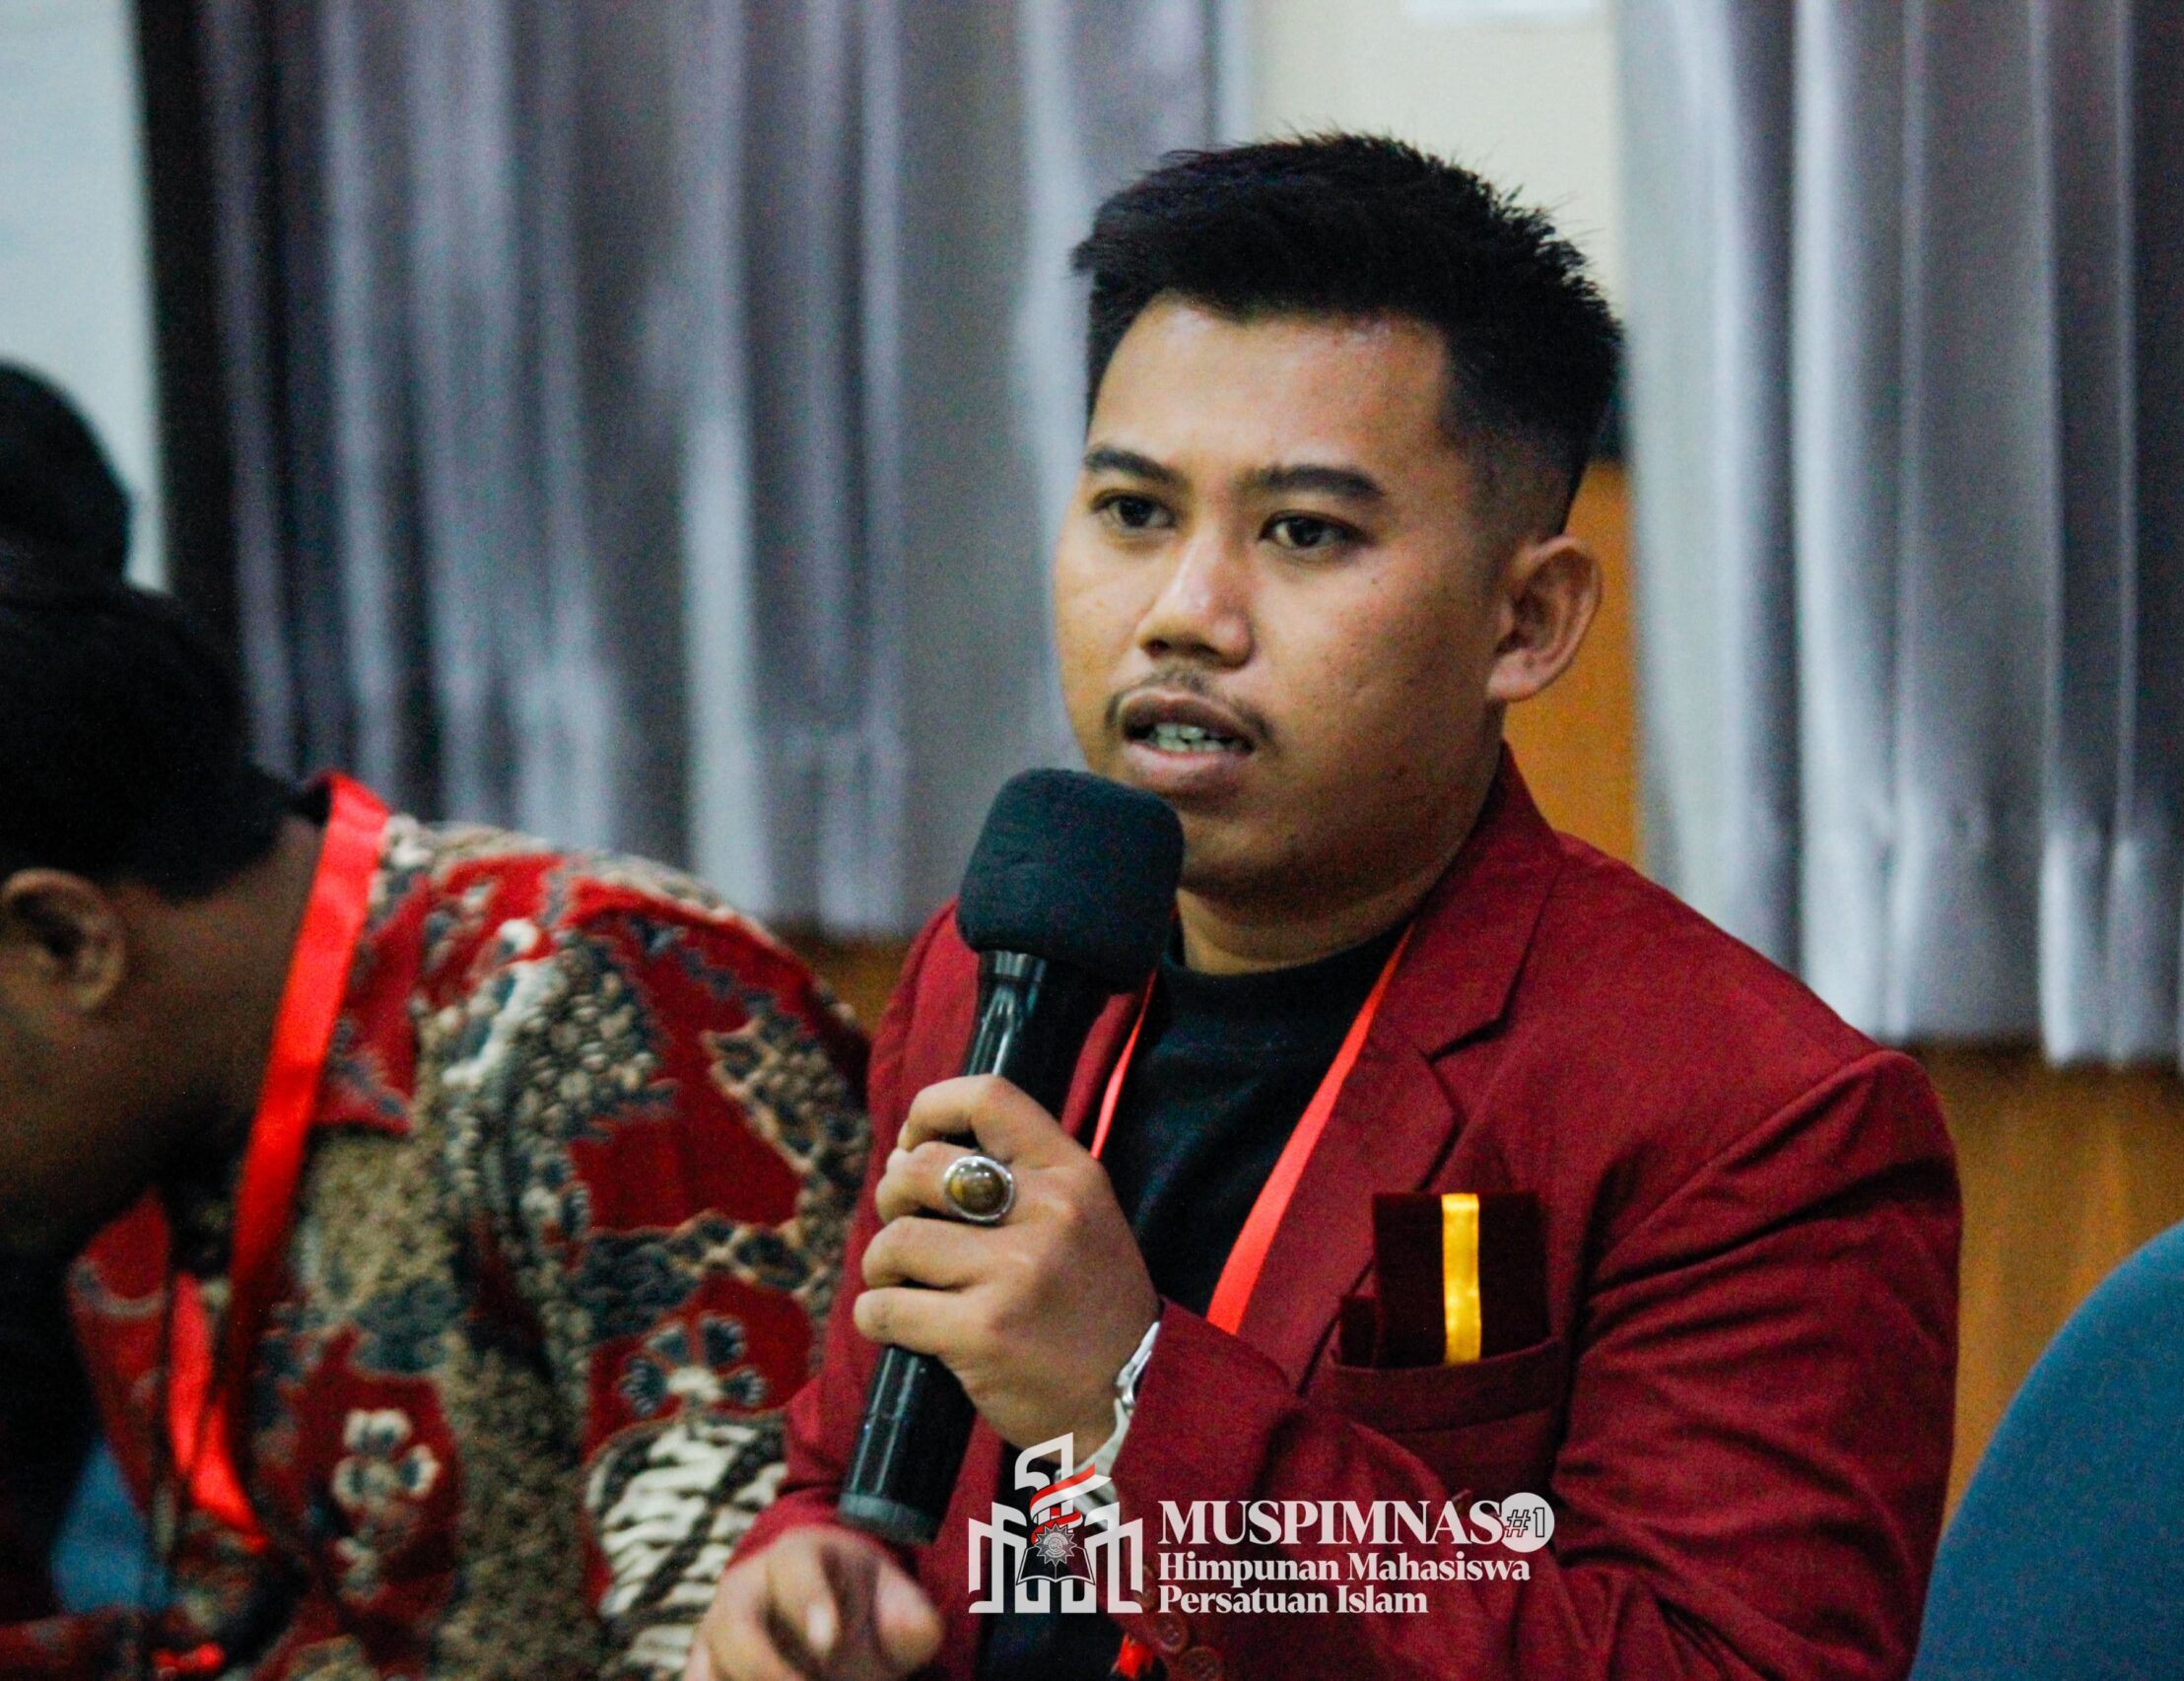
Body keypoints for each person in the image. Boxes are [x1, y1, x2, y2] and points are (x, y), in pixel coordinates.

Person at [693, 135, 1960, 1681]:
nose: (1184, 613)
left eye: (1302, 532)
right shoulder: (994, 969)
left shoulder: (1755, 1119)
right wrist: (809, 1571)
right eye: (1133, 510)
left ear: (1527, 618)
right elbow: (852, 1471)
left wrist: (1132, 1402)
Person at [0, 367, 873, 1679]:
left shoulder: (598, 1005)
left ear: (71, 940)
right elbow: (255, 1640)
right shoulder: (131, 1133)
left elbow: (748, 1639)